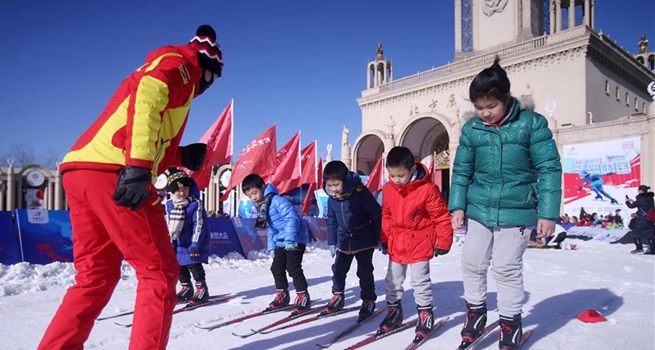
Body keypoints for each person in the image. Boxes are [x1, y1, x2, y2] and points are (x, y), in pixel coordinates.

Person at [37, 25, 223, 350]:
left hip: (83, 170)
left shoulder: (178, 74)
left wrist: (180, 155)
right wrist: (137, 167)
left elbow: (143, 128)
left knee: (95, 276)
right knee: (160, 273)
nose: (209, 86)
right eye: (213, 78)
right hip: (116, 173)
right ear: (207, 67)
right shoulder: (183, 65)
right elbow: (149, 93)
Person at [448, 57, 562, 350]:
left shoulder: (531, 125)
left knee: (506, 267)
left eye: (491, 106)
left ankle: (510, 322)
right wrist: (457, 206)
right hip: (478, 209)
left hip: (517, 210)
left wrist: (548, 213)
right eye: (479, 107)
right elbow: (461, 171)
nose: (485, 113)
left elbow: (549, 168)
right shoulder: (472, 130)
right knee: (471, 262)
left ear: (507, 98)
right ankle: (475, 312)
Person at [378, 146, 453, 341]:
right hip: (397, 243)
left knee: (420, 282)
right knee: (392, 280)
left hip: (420, 242)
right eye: (392, 175)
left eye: (400, 175)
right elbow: (386, 215)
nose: (396, 180)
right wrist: (385, 238)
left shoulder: (427, 189)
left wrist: (444, 241)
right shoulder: (388, 189)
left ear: (412, 170)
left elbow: (441, 217)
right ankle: (394, 312)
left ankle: (425, 314)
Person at [241, 174, 311, 315]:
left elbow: (292, 218)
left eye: (254, 193)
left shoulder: (277, 200)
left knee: (293, 268)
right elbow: (271, 229)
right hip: (281, 241)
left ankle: (303, 296)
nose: (253, 198)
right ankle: (283, 295)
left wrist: (290, 241)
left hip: (296, 239)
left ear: (263, 187)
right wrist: (272, 248)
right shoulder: (262, 206)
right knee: (276, 268)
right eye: (250, 196)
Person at [321, 160, 381, 321]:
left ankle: (368, 300)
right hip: (343, 240)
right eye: (330, 185)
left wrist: (380, 237)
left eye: (336, 184)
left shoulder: (361, 193)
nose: (333, 189)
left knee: (364, 272)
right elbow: (332, 221)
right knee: (338, 270)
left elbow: (376, 214)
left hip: (364, 239)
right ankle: (338, 296)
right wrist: (332, 242)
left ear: (345, 180)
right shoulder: (332, 200)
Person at [164, 169, 211, 305]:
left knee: (194, 265)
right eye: (178, 190)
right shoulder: (169, 205)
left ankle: (202, 288)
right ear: (172, 191)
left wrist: (195, 244)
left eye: (185, 189)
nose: (182, 193)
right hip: (178, 243)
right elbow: (168, 224)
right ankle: (186, 287)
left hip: (193, 241)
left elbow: (200, 225)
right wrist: (169, 244)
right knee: (178, 266)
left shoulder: (195, 204)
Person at [625, 185, 655, 254]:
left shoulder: (641, 198)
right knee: (649, 234)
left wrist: (627, 201)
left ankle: (639, 248)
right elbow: (644, 206)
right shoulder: (650, 198)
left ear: (641, 190)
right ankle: (653, 250)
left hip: (642, 220)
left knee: (635, 233)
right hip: (649, 219)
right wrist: (634, 201)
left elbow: (631, 206)